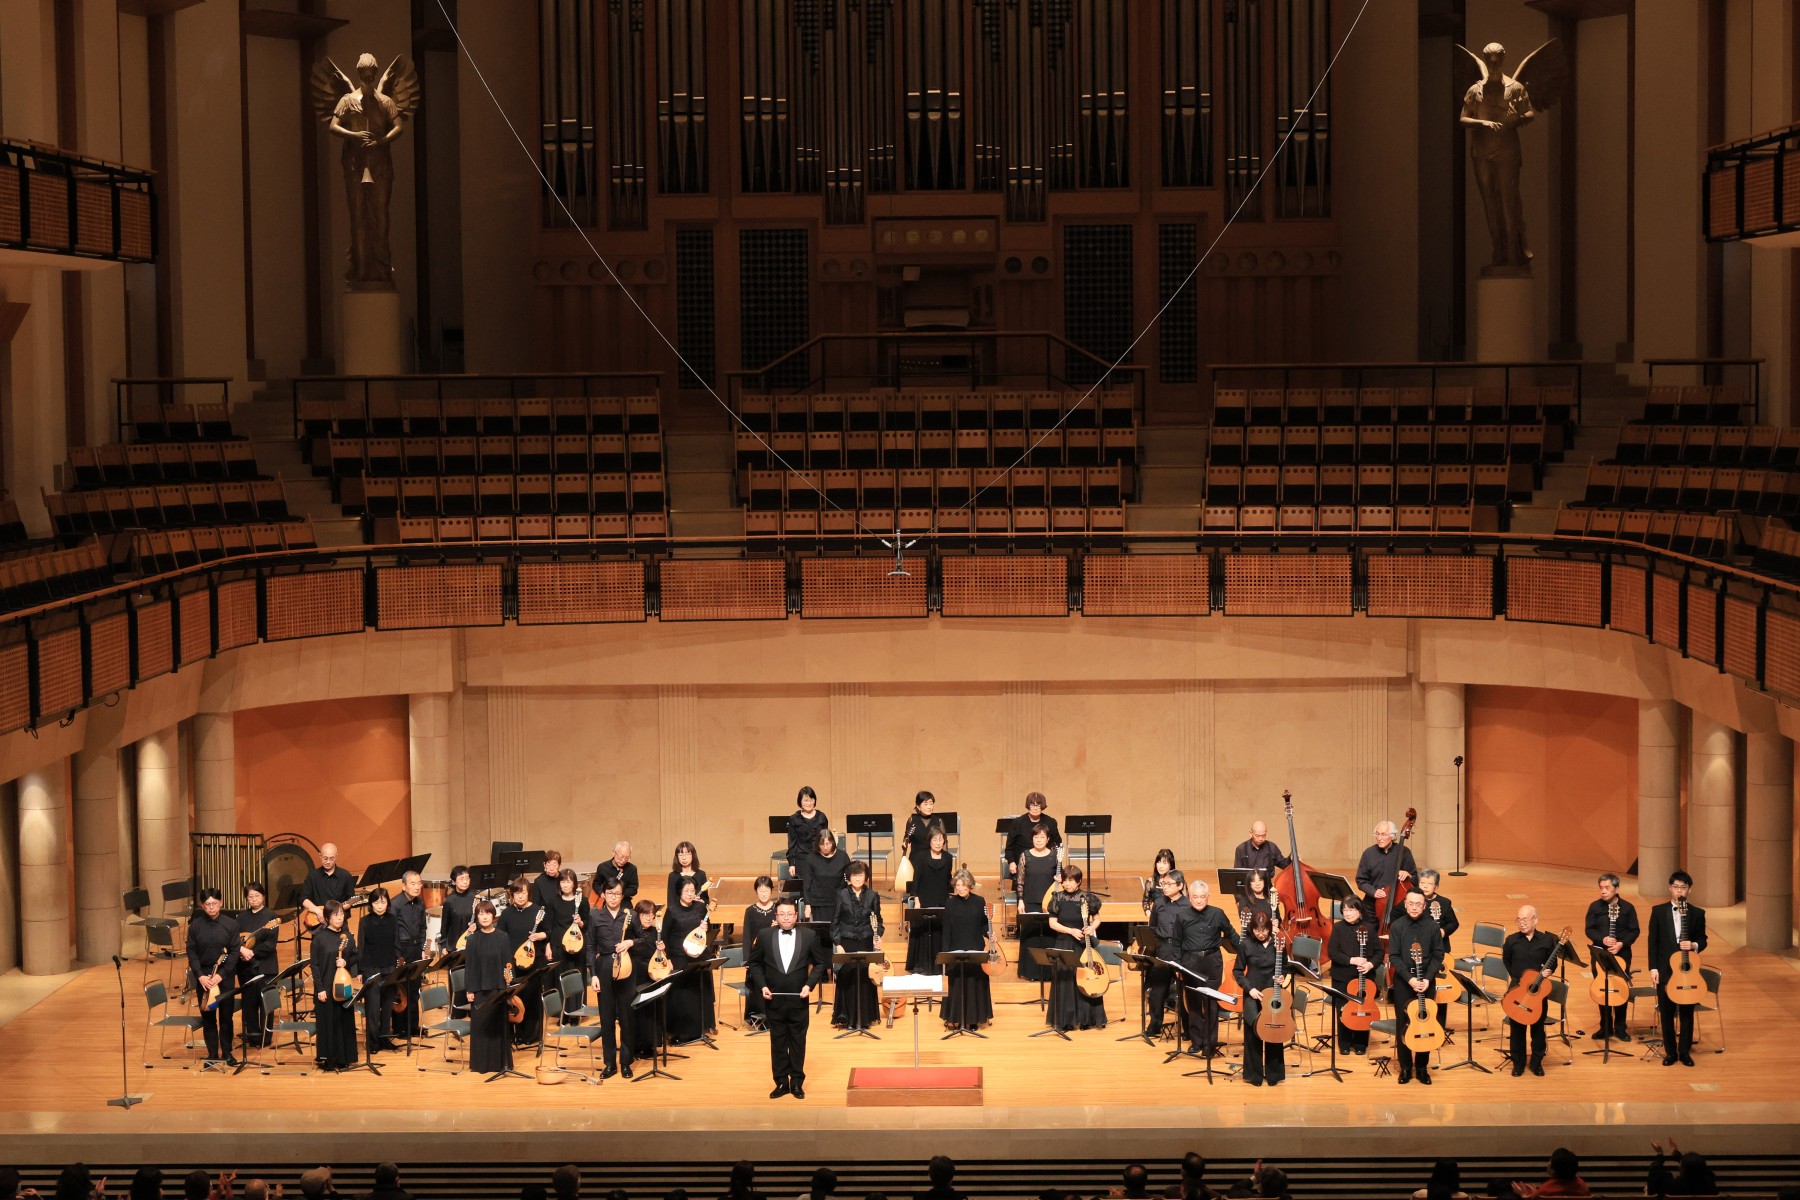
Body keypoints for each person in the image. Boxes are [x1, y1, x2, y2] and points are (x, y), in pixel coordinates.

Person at [747, 896, 828, 1099]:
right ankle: (781, 1082)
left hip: (798, 999)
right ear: (776, 916)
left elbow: (820, 963)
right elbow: (754, 963)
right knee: (778, 1042)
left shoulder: (809, 936)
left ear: (796, 915)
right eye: (782, 914)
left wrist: (809, 985)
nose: (785, 918)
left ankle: (797, 1082)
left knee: (798, 1042)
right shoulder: (764, 935)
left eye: (789, 914)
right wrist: (762, 986)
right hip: (773, 999)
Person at [1648, 870, 1708, 1066]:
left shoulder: (1698, 913)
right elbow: (1653, 942)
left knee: (1687, 1013)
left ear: (1690, 890)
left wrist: (1693, 945)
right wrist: (1653, 968)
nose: (1679, 891)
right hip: (1665, 970)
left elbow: (1703, 940)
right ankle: (1670, 1052)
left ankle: (1685, 1052)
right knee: (1666, 1013)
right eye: (1676, 887)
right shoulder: (1658, 911)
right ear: (1670, 888)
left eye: (1683, 887)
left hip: (1687, 971)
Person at [1387, 888, 1444, 1085]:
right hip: (1404, 982)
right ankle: (1405, 1068)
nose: (1413, 907)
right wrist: (1410, 979)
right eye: (1410, 903)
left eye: (1418, 904)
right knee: (1403, 1023)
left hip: (1427, 981)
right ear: (1405, 904)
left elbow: (1438, 955)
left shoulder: (1432, 927)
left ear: (1424, 906)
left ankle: (1421, 1068)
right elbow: (1394, 956)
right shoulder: (1397, 926)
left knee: (1425, 1023)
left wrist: (1427, 978)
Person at [1178, 879, 1241, 1056]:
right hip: (1190, 962)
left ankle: (1210, 1044)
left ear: (1208, 897)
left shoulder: (1217, 914)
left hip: (1212, 961)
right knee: (1193, 1001)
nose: (1199, 900)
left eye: (1202, 897)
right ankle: (1197, 1042)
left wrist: (1247, 953)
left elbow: (1232, 935)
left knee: (1212, 1002)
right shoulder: (1182, 916)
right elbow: (1176, 942)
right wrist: (1178, 966)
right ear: (1189, 897)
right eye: (1195, 897)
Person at [584, 878, 638, 1078]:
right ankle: (609, 1064)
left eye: (617, 894)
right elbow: (590, 947)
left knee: (626, 1017)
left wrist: (630, 942)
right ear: (604, 895)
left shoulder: (631, 915)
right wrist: (593, 975)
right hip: (604, 966)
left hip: (626, 968)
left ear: (622, 896)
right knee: (606, 1019)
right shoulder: (595, 916)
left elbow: (644, 938)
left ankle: (626, 1062)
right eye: (610, 893)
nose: (614, 897)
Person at [1043, 864, 1106, 1031]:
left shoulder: (1087, 898)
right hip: (1064, 942)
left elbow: (1097, 918)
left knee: (1084, 978)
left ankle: (1087, 1019)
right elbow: (1052, 923)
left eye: (1070, 881)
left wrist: (1092, 928)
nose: (1067, 884)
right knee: (1064, 979)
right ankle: (1066, 1020)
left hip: (1083, 945)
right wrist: (1070, 931)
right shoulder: (1057, 898)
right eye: (1064, 880)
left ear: (1079, 881)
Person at [1502, 905, 1558, 1077]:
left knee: (1538, 1029)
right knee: (1517, 1030)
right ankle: (1518, 1063)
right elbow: (1507, 962)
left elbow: (1553, 963)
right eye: (1518, 920)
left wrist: (1549, 971)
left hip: (1538, 992)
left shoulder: (1547, 941)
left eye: (1525, 919)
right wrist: (1519, 980)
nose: (1521, 923)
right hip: (1517, 989)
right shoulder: (1511, 940)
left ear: (1535, 920)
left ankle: (1536, 1063)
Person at [1234, 910, 1287, 1086]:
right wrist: (1249, 989)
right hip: (1253, 993)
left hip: (1273, 993)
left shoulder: (1278, 943)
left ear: (1270, 928)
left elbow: (1285, 966)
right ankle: (1254, 1075)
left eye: (1264, 930)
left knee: (1274, 1031)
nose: (1260, 934)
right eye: (1257, 930)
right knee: (1253, 1033)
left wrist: (1282, 976)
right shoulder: (1246, 945)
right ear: (1252, 929)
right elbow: (1238, 971)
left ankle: (1274, 1074)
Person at [1585, 872, 1640, 1041]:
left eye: (1607, 887)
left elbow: (1634, 931)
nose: (1603, 891)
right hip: (1600, 955)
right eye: (1601, 888)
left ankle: (1620, 1028)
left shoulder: (1628, 908)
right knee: (1601, 989)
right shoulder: (1595, 907)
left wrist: (1621, 943)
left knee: (1620, 990)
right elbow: (1589, 929)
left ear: (1616, 889)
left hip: (1621, 955)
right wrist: (1602, 939)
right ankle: (1605, 1027)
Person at [187, 886, 239, 1064]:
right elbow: (192, 952)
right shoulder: (195, 926)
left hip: (225, 978)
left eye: (214, 903)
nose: (211, 907)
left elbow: (234, 952)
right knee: (208, 1017)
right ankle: (212, 1054)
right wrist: (200, 976)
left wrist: (221, 975)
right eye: (207, 904)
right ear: (202, 906)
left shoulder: (231, 924)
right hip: (204, 978)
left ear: (221, 903)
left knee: (226, 1017)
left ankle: (227, 1052)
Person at [831, 860, 885, 1030]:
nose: (857, 878)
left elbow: (879, 922)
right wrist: (838, 943)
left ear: (866, 877)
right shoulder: (841, 895)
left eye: (860, 875)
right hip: (846, 943)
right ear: (849, 877)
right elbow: (835, 922)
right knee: (848, 979)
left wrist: (878, 936)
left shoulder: (873, 896)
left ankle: (865, 1018)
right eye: (854, 875)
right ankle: (847, 1018)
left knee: (865, 979)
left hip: (866, 942)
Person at [663, 878, 716, 1044]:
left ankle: (699, 1029)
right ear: (679, 892)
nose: (689, 894)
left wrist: (706, 927)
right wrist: (668, 958)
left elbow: (707, 929)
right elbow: (665, 936)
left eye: (692, 890)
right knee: (682, 997)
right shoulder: (672, 910)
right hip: (679, 959)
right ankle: (681, 1032)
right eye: (686, 891)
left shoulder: (700, 907)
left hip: (699, 956)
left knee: (698, 994)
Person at [1325, 897, 1381, 1055]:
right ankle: (1344, 1043)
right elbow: (1332, 952)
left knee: (1364, 1008)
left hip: (1365, 977)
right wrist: (1351, 960)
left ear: (1360, 911)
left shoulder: (1369, 928)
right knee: (1344, 1009)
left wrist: (1370, 964)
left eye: (1351, 910)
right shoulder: (1338, 928)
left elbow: (1379, 952)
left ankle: (1360, 1043)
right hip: (1342, 977)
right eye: (1345, 910)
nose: (1347, 913)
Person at [940, 868, 993, 1032]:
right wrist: (946, 955)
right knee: (957, 984)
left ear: (970, 885)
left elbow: (984, 925)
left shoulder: (979, 901)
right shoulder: (950, 903)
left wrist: (990, 933)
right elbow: (946, 930)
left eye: (963, 885)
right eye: (957, 885)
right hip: (956, 948)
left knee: (974, 983)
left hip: (975, 948)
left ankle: (974, 1020)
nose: (960, 888)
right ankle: (955, 1018)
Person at [464, 898, 512, 1075]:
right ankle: (481, 1064)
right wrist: (470, 989)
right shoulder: (472, 939)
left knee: (498, 1027)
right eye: (481, 914)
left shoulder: (503, 937)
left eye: (487, 913)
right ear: (477, 917)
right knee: (480, 1027)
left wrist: (508, 985)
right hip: (479, 989)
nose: (484, 917)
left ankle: (500, 1064)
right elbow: (470, 966)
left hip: (498, 988)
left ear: (493, 915)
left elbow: (508, 963)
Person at [311, 900, 361, 1070]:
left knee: (344, 1020)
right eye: (335, 915)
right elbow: (314, 965)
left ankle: (344, 1058)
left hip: (342, 984)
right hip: (325, 986)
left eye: (341, 914)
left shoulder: (347, 936)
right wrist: (320, 989)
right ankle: (329, 1059)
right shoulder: (319, 938)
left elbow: (356, 955)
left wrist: (346, 962)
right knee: (328, 1022)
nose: (340, 918)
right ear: (327, 917)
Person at [499, 878, 548, 1046]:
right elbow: (500, 936)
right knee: (515, 1000)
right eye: (517, 893)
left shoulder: (537, 911)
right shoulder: (507, 914)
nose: (520, 896)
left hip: (534, 962)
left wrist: (539, 936)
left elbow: (550, 932)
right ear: (511, 895)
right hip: (513, 963)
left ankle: (532, 1035)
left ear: (529, 893)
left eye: (524, 892)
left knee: (532, 998)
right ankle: (516, 1035)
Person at [235, 881, 280, 1048]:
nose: (254, 899)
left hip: (266, 965)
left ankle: (265, 1038)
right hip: (245, 966)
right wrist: (242, 951)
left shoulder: (271, 916)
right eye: (250, 896)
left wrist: (251, 952)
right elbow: (235, 939)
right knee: (249, 1004)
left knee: (265, 1003)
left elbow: (270, 945)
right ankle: (253, 1037)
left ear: (263, 896)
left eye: (257, 895)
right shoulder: (241, 917)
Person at [904, 825, 954, 974]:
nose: (938, 843)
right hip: (924, 899)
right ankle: (922, 965)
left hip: (942, 899)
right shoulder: (921, 857)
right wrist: (917, 900)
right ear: (929, 841)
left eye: (940, 840)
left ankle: (939, 966)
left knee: (940, 932)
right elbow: (916, 880)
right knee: (923, 932)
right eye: (935, 840)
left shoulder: (948, 857)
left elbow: (948, 879)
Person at [1143, 869, 1187, 1038]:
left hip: (1180, 950)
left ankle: (1187, 1029)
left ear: (1180, 886)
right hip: (1162, 949)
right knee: (1157, 991)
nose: (1165, 887)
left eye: (1169, 884)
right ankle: (1154, 1026)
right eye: (1164, 884)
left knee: (1183, 991)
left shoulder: (1188, 905)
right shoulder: (1159, 903)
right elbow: (1152, 927)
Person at [1016, 823, 1061, 983]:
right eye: (1036, 837)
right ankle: (1031, 972)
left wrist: (1059, 879)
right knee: (1031, 937)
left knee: (1050, 937)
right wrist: (1020, 900)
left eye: (1042, 837)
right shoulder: (1025, 855)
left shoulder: (1055, 856)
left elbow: (1060, 881)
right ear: (1032, 838)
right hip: (1030, 901)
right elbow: (1020, 881)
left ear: (1048, 839)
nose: (1039, 840)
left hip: (1049, 903)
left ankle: (1049, 973)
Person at [357, 888, 399, 1053]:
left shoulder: (393, 920)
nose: (380, 906)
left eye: (383, 902)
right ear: (371, 904)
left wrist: (399, 962)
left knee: (387, 1007)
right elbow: (361, 946)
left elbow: (396, 943)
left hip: (389, 967)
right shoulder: (364, 921)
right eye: (376, 902)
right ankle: (373, 1043)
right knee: (373, 1009)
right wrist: (360, 971)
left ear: (388, 903)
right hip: (371, 969)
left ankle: (384, 1039)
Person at [1354, 819, 1417, 928]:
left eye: (1383, 834)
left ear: (1392, 836)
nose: (1379, 838)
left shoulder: (1404, 852)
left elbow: (1415, 878)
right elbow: (1361, 880)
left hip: (1396, 905)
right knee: (1369, 933)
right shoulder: (1368, 854)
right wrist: (1373, 892)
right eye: (1377, 834)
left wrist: (1408, 874)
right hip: (1372, 905)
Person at [1418, 869, 1460, 1030]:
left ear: (1436, 886)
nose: (1425, 886)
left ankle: (1439, 1028)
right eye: (1422, 883)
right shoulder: (1414, 902)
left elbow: (1454, 923)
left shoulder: (1444, 903)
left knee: (1441, 990)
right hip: (1421, 953)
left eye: (1429, 883)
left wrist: (1444, 931)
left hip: (1441, 952)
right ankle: (1421, 1024)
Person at [391, 871, 427, 1039]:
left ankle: (413, 1026)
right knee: (401, 991)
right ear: (404, 885)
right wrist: (398, 954)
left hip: (416, 949)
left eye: (419, 883)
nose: (417, 887)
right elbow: (393, 932)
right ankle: (400, 1029)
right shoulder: (395, 904)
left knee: (414, 988)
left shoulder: (420, 903)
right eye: (413, 883)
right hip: (402, 950)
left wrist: (422, 947)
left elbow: (422, 928)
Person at [742, 876, 780, 1029]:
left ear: (771, 891)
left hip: (774, 955)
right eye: (760, 891)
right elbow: (746, 936)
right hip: (756, 956)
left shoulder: (778, 909)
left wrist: (778, 926)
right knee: (757, 985)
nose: (763, 894)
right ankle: (757, 1018)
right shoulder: (750, 911)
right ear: (756, 892)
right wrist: (747, 959)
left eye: (766, 890)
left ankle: (774, 1017)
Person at [544, 868, 592, 983]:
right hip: (558, 946)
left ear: (574, 884)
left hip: (577, 946)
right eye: (562, 882)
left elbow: (587, 925)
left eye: (568, 882)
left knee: (576, 981)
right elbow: (548, 926)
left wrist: (580, 922)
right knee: (559, 981)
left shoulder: (582, 901)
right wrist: (547, 945)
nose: (565, 885)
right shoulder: (553, 901)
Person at [300, 843, 355, 933]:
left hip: (339, 922)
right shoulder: (312, 876)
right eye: (325, 858)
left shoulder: (345, 876)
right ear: (320, 856)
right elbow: (303, 899)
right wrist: (318, 911)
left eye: (332, 858)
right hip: (319, 923)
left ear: (336, 856)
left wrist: (334, 913)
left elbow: (350, 900)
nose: (328, 862)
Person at [1003, 792, 1062, 875]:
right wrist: (1011, 862)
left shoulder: (1051, 822)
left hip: (1046, 863)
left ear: (1042, 806)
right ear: (1028, 806)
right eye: (1032, 805)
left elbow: (1058, 843)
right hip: (1023, 864)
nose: (1035, 808)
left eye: (1038, 806)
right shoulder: (1018, 822)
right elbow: (1009, 847)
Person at [802, 829, 850, 926]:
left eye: (828, 844)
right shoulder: (811, 858)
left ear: (833, 842)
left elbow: (849, 878)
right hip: (818, 903)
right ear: (817, 844)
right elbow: (807, 883)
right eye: (822, 844)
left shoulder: (843, 857)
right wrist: (807, 905)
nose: (825, 847)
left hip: (838, 901)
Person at [900, 791, 941, 894]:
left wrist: (942, 860)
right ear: (918, 806)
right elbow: (906, 838)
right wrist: (905, 844)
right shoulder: (912, 820)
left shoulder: (938, 821)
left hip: (933, 858)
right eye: (925, 804)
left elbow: (944, 843)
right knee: (916, 889)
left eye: (931, 803)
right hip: (916, 859)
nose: (929, 807)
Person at [1646, 1140, 1717, 1197]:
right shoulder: (1709, 1186)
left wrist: (1659, 1154)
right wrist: (1679, 1157)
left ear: (1682, 1170)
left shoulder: (1673, 1187)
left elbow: (1653, 1182)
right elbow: (1702, 1169)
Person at [1511, 1149, 1589, 1198]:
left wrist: (1523, 1195)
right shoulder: (1582, 1186)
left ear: (1553, 1170)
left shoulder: (1545, 1190)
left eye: (1550, 1160)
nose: (1548, 1163)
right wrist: (1536, 1192)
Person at [787, 787, 830, 873]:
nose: (809, 803)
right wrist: (792, 864)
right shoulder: (794, 819)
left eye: (811, 800)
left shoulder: (821, 817)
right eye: (806, 800)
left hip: (819, 859)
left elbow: (826, 840)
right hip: (801, 859)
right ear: (800, 801)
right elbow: (792, 842)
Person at [438, 865, 476, 953]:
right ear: (454, 882)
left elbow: (479, 919)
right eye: (461, 879)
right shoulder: (449, 900)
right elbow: (445, 925)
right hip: (453, 944)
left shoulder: (475, 897)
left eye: (467, 878)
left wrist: (476, 925)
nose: (465, 882)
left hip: (471, 943)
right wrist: (443, 946)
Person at [667, 842, 708, 915]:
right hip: (679, 915)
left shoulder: (701, 875)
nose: (684, 858)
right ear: (677, 857)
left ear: (693, 855)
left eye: (687, 854)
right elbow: (671, 901)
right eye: (681, 855)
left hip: (697, 914)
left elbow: (705, 899)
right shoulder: (673, 876)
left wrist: (702, 902)